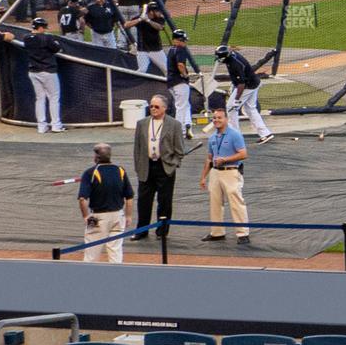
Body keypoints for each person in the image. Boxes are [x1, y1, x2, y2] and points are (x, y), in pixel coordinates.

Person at [132, 92, 193, 246]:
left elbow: (179, 149)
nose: (153, 109)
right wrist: (139, 167)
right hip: (146, 167)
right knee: (144, 201)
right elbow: (137, 148)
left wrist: (173, 165)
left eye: (156, 106)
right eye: (151, 106)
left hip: (165, 167)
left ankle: (162, 231)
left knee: (164, 201)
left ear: (164, 108)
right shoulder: (142, 124)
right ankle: (142, 230)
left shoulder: (174, 124)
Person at [200, 104, 251, 245]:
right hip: (216, 173)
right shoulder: (213, 138)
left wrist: (225, 160)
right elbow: (209, 158)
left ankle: (243, 233)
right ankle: (217, 232)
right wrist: (204, 176)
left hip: (231, 171)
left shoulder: (234, 135)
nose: (216, 120)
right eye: (214, 118)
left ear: (226, 119)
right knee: (215, 202)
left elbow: (243, 154)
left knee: (236, 202)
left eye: (219, 118)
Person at [76, 142, 134, 264]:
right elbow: (129, 197)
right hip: (118, 216)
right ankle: (116, 277)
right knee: (115, 251)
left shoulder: (90, 173)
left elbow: (82, 199)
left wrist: (86, 216)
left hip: (97, 217)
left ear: (96, 157)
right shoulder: (120, 170)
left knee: (92, 251)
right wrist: (128, 216)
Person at [216, 45, 273, 143]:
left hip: (248, 86)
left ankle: (234, 136)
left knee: (231, 108)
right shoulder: (231, 57)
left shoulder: (235, 64)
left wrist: (236, 100)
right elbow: (237, 80)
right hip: (253, 83)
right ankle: (265, 133)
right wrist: (233, 87)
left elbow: (241, 84)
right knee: (250, 109)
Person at [19, 17, 68, 132]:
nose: (45, 30)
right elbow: (57, 48)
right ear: (40, 27)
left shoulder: (27, 38)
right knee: (54, 98)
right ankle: (56, 125)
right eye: (44, 28)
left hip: (33, 72)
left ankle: (41, 126)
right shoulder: (47, 38)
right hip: (48, 71)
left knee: (40, 99)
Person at [164, 29, 200, 126]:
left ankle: (187, 124)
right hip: (179, 82)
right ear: (177, 40)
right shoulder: (180, 49)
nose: (184, 43)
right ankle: (180, 130)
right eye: (183, 40)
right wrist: (185, 75)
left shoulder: (172, 49)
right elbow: (180, 65)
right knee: (181, 107)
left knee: (185, 105)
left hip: (171, 83)